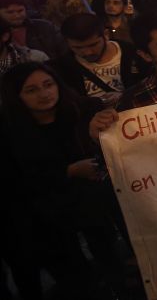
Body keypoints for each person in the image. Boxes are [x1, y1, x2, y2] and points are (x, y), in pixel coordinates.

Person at [2, 62, 127, 298]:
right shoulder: (9, 130)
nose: (44, 94)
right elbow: (13, 181)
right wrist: (67, 171)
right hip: (47, 217)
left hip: (93, 205)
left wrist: (100, 130)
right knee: (75, 275)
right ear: (16, 96)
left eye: (48, 84)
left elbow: (112, 147)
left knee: (109, 256)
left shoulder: (84, 109)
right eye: (31, 90)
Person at [53, 13, 144, 107]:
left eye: (93, 45)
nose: (87, 52)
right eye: (77, 48)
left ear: (106, 35)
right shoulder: (62, 67)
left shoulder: (133, 53)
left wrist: (125, 96)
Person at [0, 0, 66, 59]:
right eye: (10, 12)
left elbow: (64, 51)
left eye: (20, 11)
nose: (17, 16)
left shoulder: (45, 27)